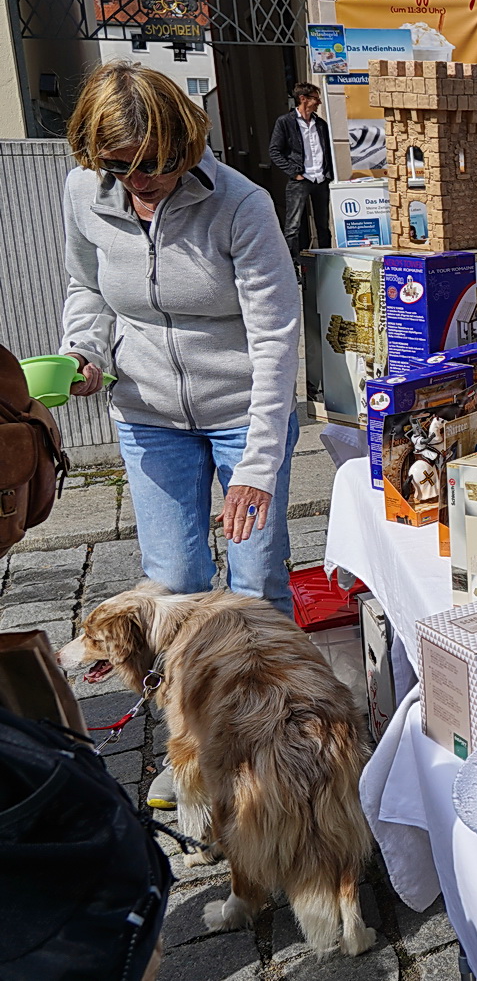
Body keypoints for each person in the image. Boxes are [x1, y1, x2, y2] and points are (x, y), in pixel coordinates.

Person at [60, 61, 302, 614]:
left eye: (155, 162)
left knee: (257, 585)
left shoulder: (242, 205)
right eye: (119, 165)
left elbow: (275, 337)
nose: (139, 179)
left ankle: (274, 703)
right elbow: (86, 285)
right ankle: (191, 700)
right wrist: (84, 350)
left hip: (244, 414)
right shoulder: (82, 192)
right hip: (148, 415)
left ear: (185, 142)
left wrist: (260, 466)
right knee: (173, 585)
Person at [268, 82, 333, 253]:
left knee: (323, 226)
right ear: (303, 99)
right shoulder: (285, 122)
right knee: (293, 227)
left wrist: (328, 174)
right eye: (315, 99)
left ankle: (325, 262)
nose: (318, 103)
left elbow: (327, 150)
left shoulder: (320, 124)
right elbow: (274, 151)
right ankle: (291, 266)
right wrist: (294, 173)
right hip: (300, 179)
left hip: (320, 178)